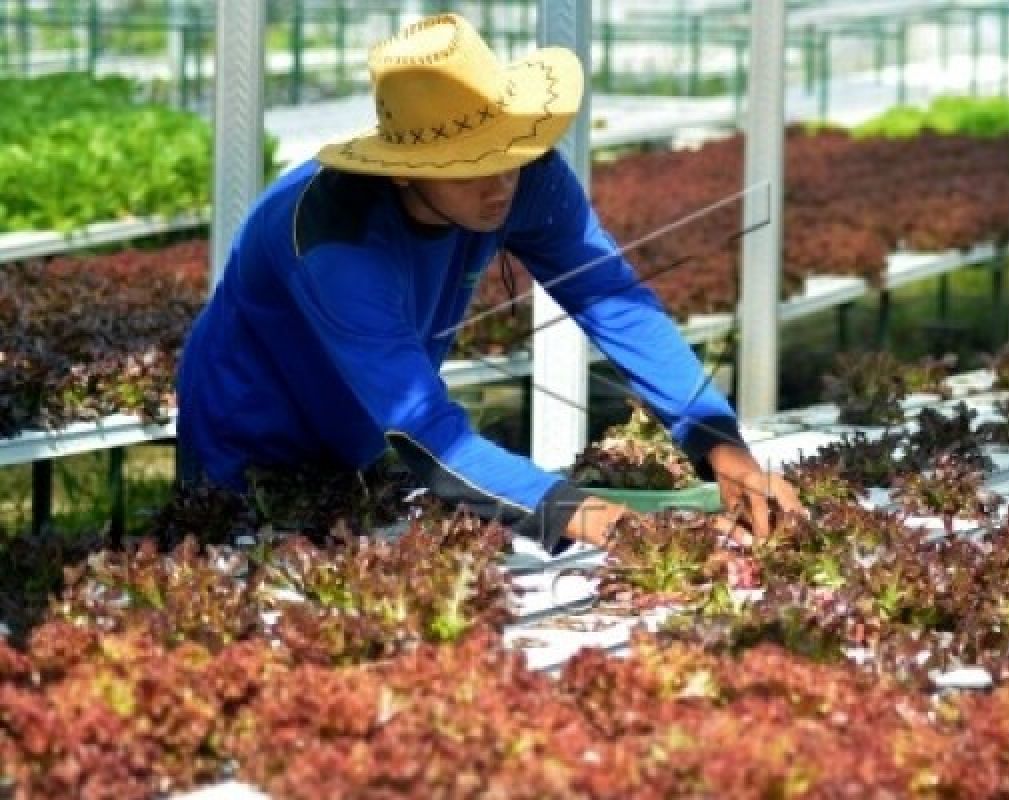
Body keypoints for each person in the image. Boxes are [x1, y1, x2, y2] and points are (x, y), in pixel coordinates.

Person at [177, 12, 799, 554]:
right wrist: (606, 525)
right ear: (403, 173)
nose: (499, 181)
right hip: (247, 438)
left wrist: (717, 440)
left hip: (361, 435)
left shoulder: (525, 177)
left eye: (506, 153)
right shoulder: (335, 243)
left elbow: (613, 300)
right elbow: (429, 434)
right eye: (470, 167)